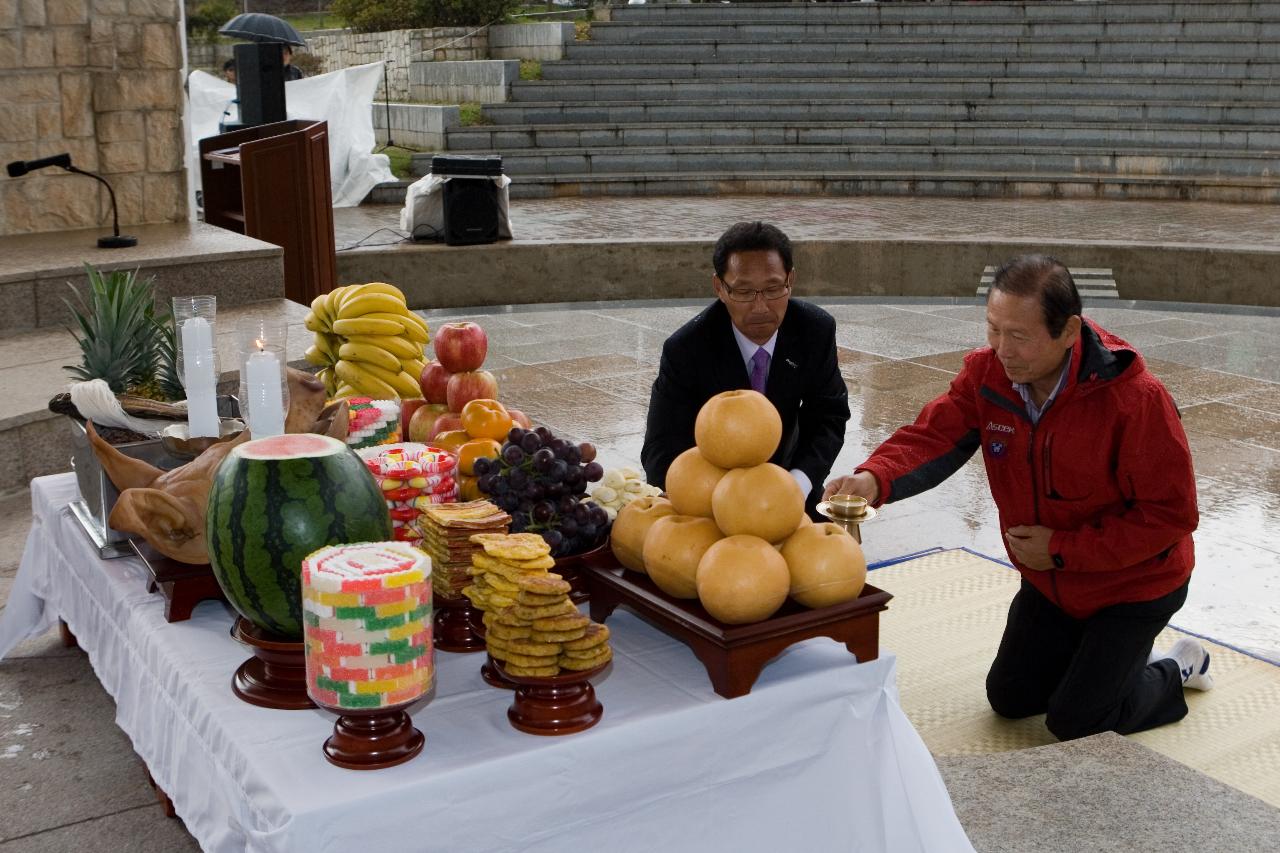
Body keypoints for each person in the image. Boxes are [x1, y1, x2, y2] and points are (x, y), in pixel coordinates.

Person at [824, 254, 1208, 741]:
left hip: (1133, 586)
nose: (1002, 350)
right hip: (1052, 583)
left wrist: (1061, 549)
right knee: (1011, 699)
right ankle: (1103, 662)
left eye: (1019, 336)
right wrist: (875, 479)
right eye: (993, 329)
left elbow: (1171, 516)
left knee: (1076, 722)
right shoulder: (990, 375)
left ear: (1069, 331)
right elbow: (934, 435)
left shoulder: (1135, 399)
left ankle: (1175, 667)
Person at [642, 221, 850, 515]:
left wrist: (796, 484)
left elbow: (829, 416)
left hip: (788, 483)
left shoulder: (815, 330)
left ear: (790, 280)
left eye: (773, 288)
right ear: (720, 288)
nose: (761, 306)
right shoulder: (686, 348)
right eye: (743, 291)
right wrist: (716, 499)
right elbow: (660, 450)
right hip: (711, 496)